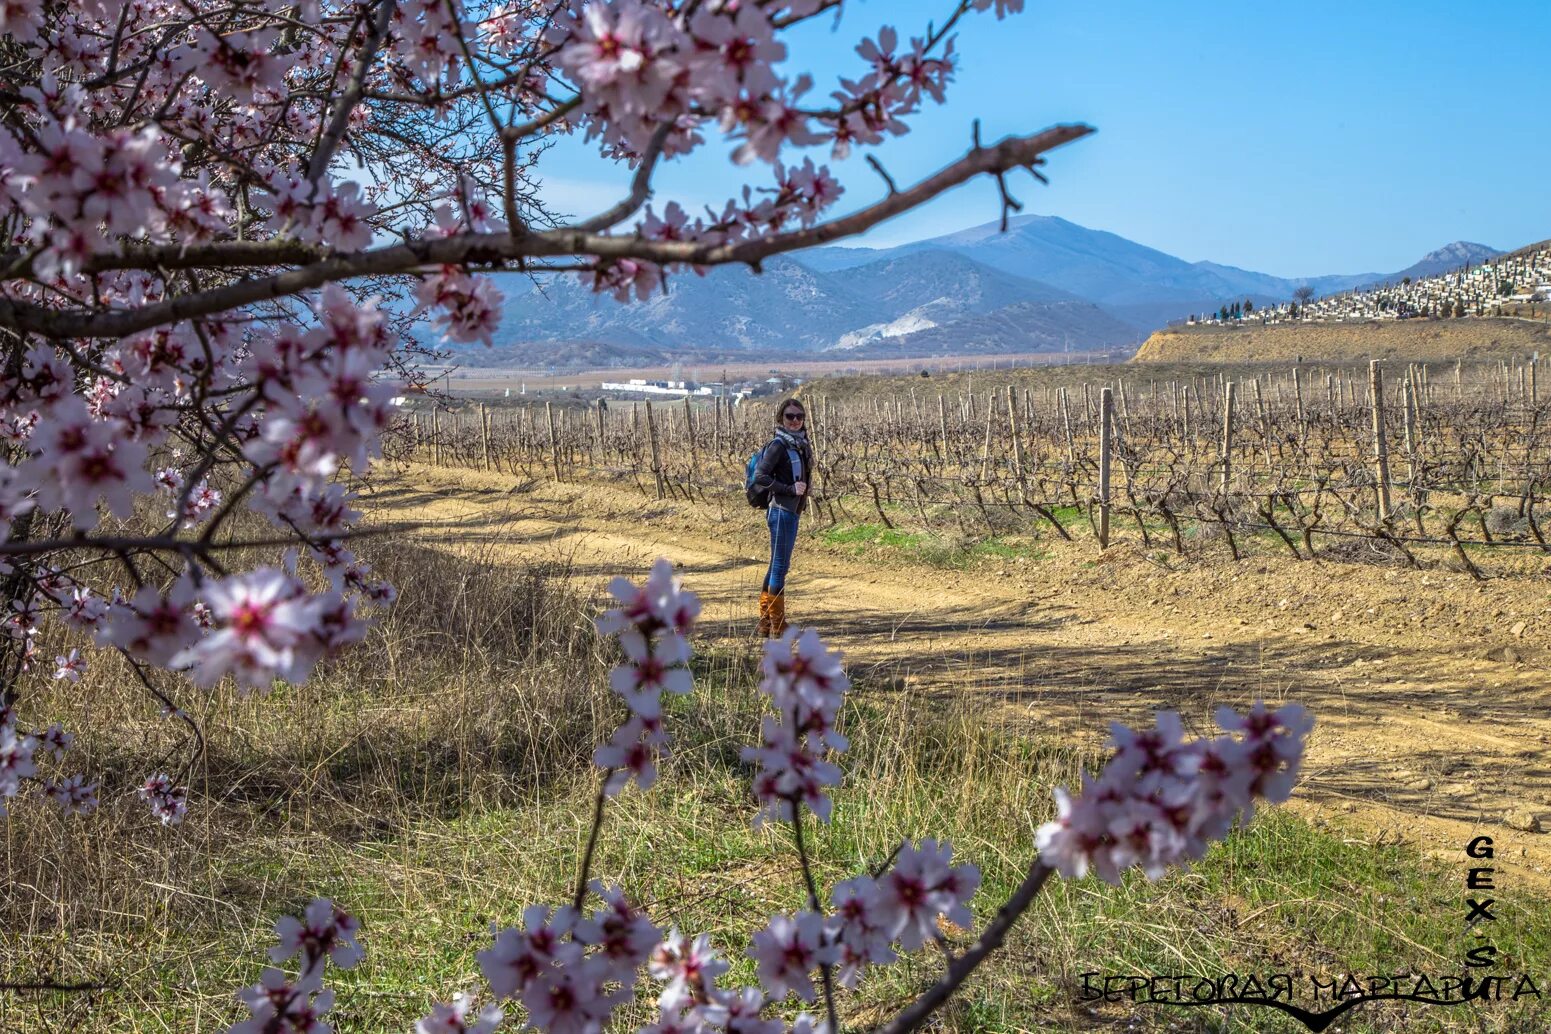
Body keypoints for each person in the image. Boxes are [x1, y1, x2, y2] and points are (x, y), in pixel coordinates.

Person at [752, 397, 814, 637]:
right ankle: (778, 625)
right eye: (790, 416)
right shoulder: (779, 445)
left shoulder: (799, 444)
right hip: (781, 511)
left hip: (790, 511)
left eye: (799, 416)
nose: (795, 420)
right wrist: (789, 489)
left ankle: (766, 622)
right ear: (781, 418)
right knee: (780, 566)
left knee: (776, 564)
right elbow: (761, 476)